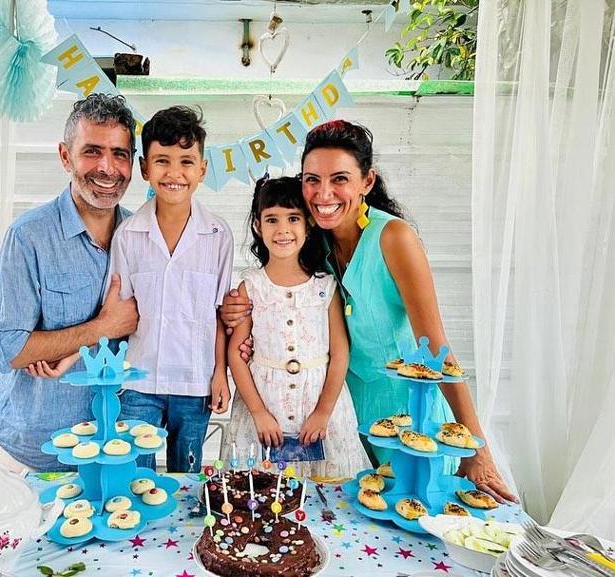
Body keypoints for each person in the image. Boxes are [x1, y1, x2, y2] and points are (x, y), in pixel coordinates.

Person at [222, 120, 517, 503]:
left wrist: (477, 449)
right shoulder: (315, 242)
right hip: (345, 423)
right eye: (312, 180)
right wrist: (236, 311)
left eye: (339, 179)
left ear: (367, 182)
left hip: (407, 422)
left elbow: (435, 347)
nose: (323, 193)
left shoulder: (395, 238)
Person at [39, 106, 234, 473]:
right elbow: (112, 315)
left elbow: (221, 314)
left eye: (186, 162)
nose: (174, 173)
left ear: (203, 169)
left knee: (187, 477)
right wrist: (69, 355)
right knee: (136, 477)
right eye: (162, 161)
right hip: (139, 383)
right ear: (144, 168)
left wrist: (220, 373)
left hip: (196, 383)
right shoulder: (128, 235)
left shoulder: (218, 235)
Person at [0, 94, 139, 472]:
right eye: (92, 151)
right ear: (66, 156)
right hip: (30, 458)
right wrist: (103, 327)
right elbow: (5, 350)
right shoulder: (28, 237)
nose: (107, 168)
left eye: (119, 154)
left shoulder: (141, 237)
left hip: (113, 452)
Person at [221, 176, 371, 479]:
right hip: (266, 404)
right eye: (272, 219)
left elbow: (339, 354)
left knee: (330, 488)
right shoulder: (252, 286)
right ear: (257, 226)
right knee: (262, 491)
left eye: (293, 218)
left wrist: (323, 412)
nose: (283, 229)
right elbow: (236, 354)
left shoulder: (325, 287)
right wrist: (259, 413)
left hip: (320, 404)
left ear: (308, 224)